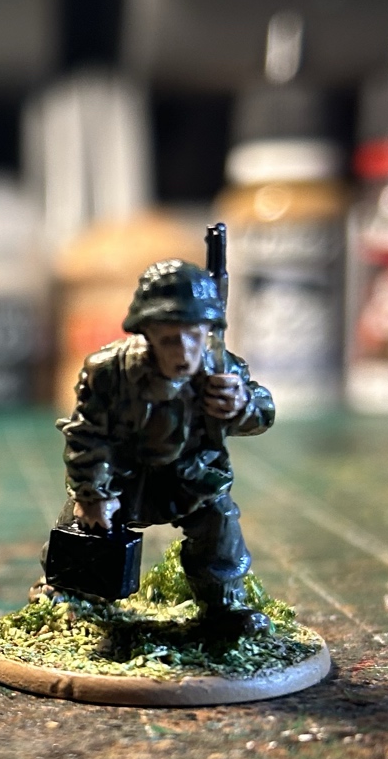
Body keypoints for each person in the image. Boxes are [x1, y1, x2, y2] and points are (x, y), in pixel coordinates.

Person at [56, 259, 275, 640]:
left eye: (194, 336)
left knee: (219, 525)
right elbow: (88, 435)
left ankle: (224, 608)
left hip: (192, 476)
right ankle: (66, 594)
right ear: (148, 334)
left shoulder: (222, 368)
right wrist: (93, 493)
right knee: (82, 531)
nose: (184, 351)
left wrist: (241, 406)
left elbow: (262, 411)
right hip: (125, 476)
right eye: (170, 339)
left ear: (208, 331)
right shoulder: (108, 371)